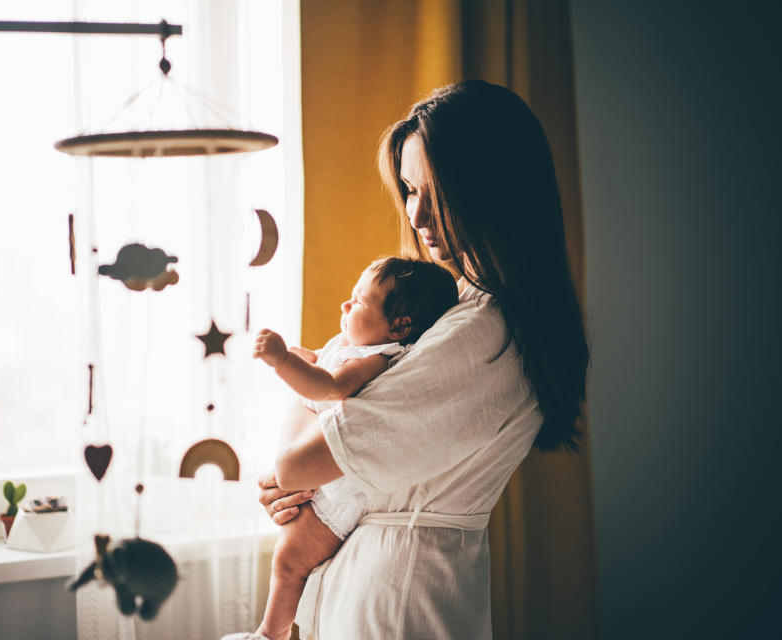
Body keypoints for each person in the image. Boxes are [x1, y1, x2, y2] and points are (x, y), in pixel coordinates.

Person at [254, 80, 589, 639]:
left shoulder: (484, 331)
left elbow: (301, 461)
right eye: (410, 189)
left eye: (438, 191)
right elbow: (315, 458)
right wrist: (291, 476)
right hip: (378, 589)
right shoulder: (460, 311)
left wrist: (287, 472)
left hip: (398, 603)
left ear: (495, 189)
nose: (416, 213)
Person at [223, 257, 459, 640]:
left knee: (289, 561)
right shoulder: (349, 343)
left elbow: (327, 387)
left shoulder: (377, 360)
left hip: (337, 497)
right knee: (287, 556)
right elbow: (320, 366)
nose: (344, 306)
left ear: (399, 326)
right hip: (318, 480)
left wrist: (283, 361)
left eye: (358, 302)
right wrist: (305, 358)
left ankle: (272, 634)